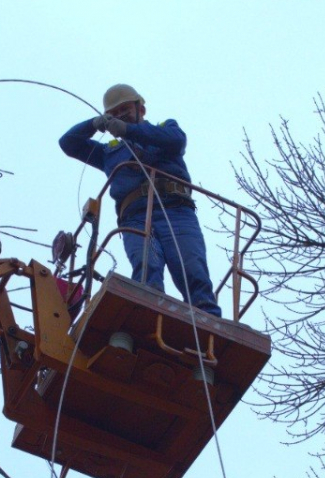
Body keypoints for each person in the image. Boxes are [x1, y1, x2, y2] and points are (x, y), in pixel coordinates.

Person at [59, 83, 222, 317]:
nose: (119, 116)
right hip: (134, 217)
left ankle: (208, 322)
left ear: (141, 109)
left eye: (124, 109)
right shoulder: (109, 153)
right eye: (112, 114)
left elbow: (177, 141)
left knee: (191, 267)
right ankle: (147, 316)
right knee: (146, 268)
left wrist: (127, 130)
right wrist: (93, 124)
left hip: (176, 211)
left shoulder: (165, 130)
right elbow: (68, 143)